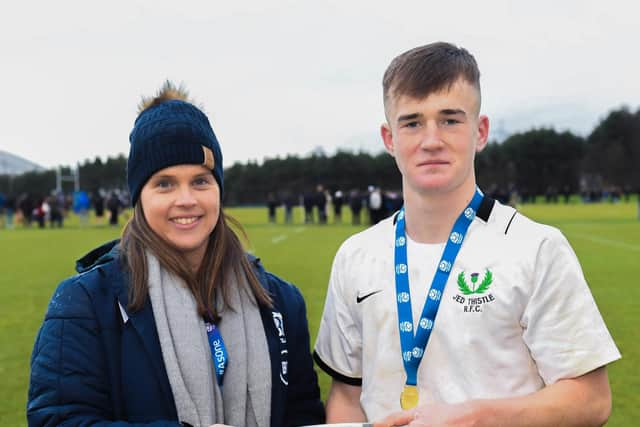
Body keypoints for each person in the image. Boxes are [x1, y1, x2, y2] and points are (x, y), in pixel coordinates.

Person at [313, 42, 620, 427]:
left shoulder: (537, 248)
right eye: (412, 123)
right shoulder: (355, 255)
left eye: (450, 120)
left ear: (481, 131)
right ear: (389, 138)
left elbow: (592, 399)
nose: (431, 140)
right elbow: (346, 396)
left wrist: (477, 416)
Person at [28, 83, 325, 427]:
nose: (186, 199)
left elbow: (304, 417)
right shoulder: (86, 301)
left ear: (219, 190)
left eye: (201, 181)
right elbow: (58, 420)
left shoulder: (280, 301)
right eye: (165, 184)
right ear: (139, 196)